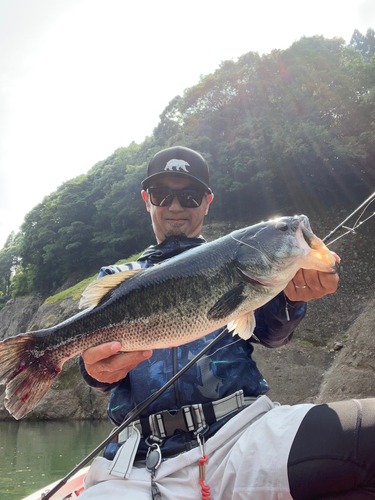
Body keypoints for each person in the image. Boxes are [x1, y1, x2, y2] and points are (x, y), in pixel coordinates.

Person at [78, 146, 375, 499]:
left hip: (242, 434)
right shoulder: (117, 278)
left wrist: (292, 299)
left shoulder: (243, 256)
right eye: (162, 195)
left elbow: (272, 334)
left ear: (207, 201)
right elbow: (94, 367)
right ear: (147, 199)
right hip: (136, 458)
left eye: (189, 196)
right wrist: (94, 371)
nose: (175, 206)